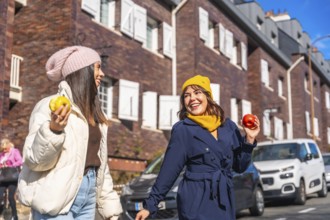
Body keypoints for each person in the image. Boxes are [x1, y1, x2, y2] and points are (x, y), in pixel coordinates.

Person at [17, 46, 122, 220]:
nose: (102, 73)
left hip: (88, 196)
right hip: (56, 200)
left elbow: (100, 164)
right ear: (83, 72)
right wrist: (53, 131)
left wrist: (110, 209)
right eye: (97, 67)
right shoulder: (49, 106)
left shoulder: (95, 114)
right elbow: (35, 161)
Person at [135, 75, 260, 220]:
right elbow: (169, 170)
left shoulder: (228, 127)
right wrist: (150, 205)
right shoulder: (183, 130)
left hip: (224, 198)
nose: (192, 98)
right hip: (196, 200)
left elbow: (240, 166)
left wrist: (249, 139)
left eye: (197, 92)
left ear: (208, 96)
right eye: (187, 95)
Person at [0, 138, 23, 220]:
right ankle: (2, 213)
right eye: (3, 149)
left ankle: (14, 215)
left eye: (5, 148)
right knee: (0, 196)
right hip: (3, 177)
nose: (4, 150)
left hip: (12, 177)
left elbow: (20, 161)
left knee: (10, 197)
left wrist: (10, 165)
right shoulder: (2, 154)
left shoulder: (15, 151)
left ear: (9, 145)